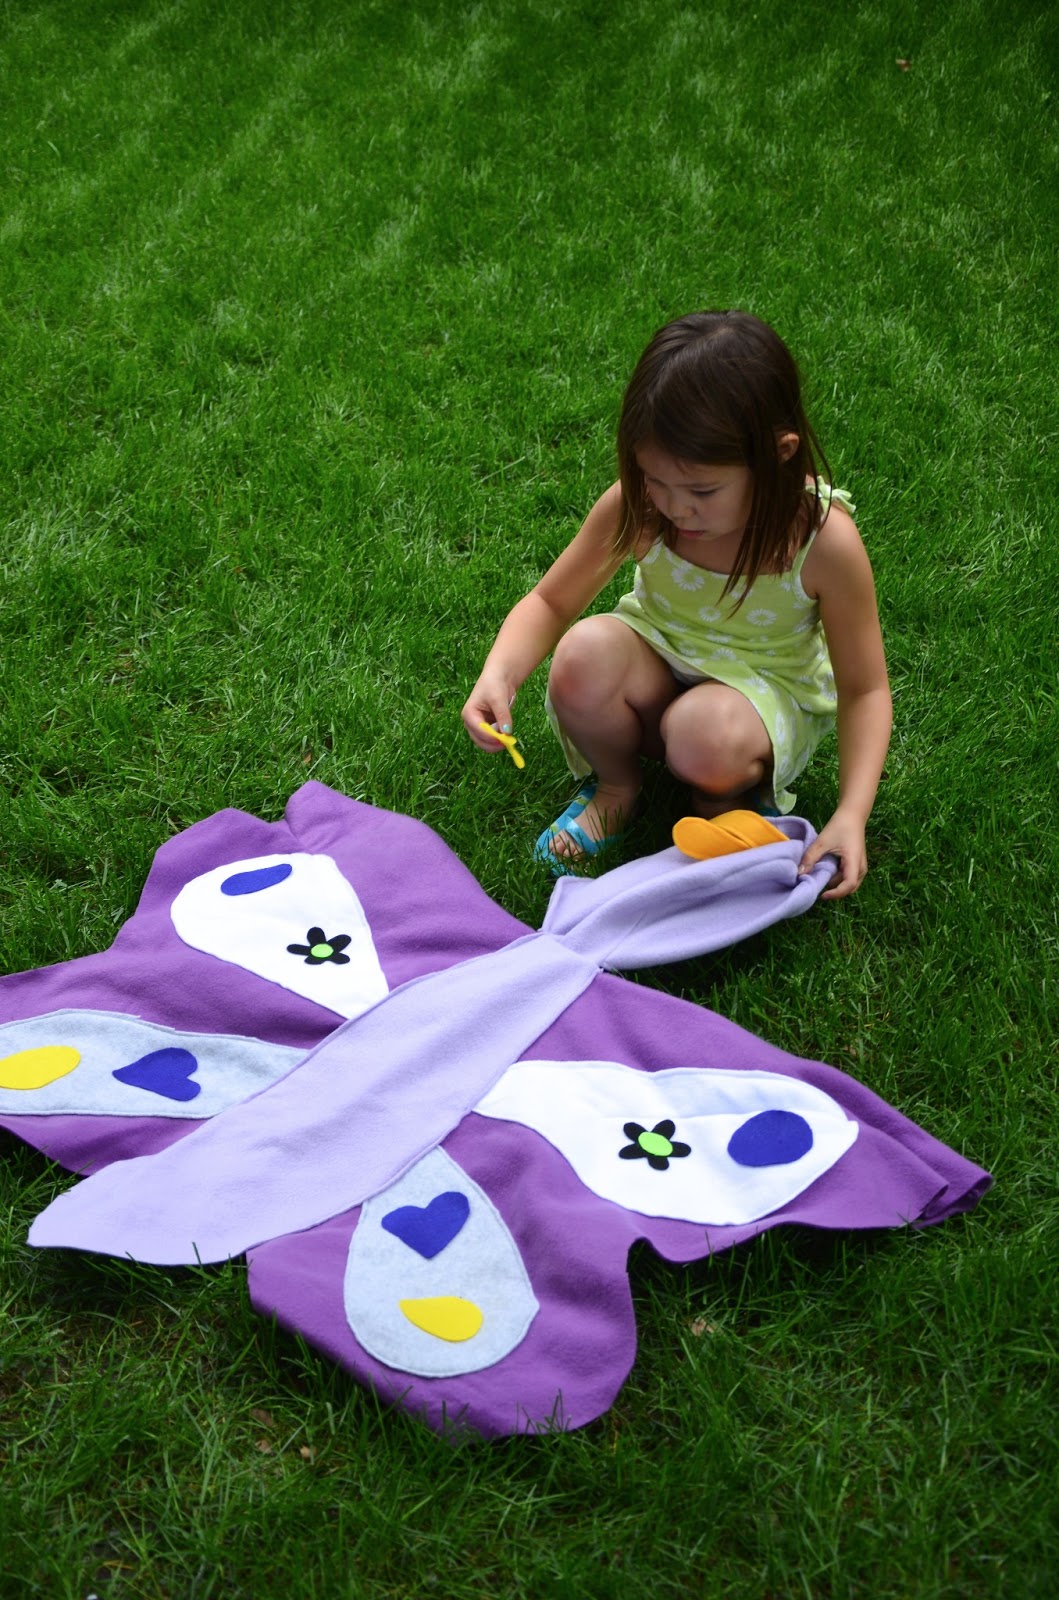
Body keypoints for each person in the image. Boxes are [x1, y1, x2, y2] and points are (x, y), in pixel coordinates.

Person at [461, 310, 892, 899]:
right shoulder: (640, 507)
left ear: (779, 454)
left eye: (702, 490)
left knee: (704, 731)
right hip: (658, 663)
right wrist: (499, 674)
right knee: (583, 651)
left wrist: (852, 813)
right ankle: (617, 787)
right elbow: (551, 601)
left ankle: (726, 798)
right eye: (654, 479)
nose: (674, 508)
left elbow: (865, 689)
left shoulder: (821, 543)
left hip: (755, 702)